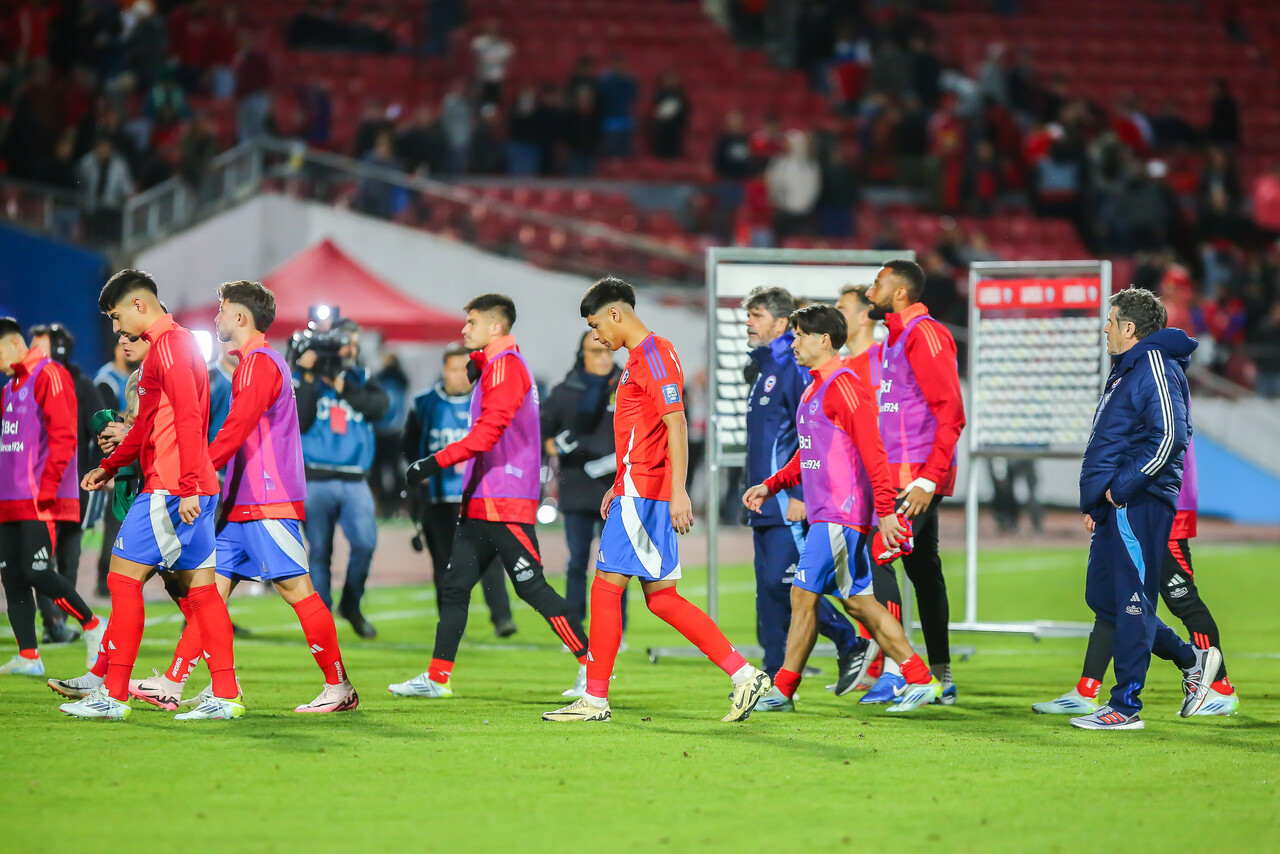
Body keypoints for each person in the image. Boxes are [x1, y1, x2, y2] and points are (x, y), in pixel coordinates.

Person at [544, 278, 771, 723]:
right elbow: (643, 432)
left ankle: (594, 698)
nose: (596, 337)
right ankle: (744, 675)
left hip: (647, 494)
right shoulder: (636, 359)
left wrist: (679, 491)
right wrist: (620, 479)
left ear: (615, 313)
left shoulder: (653, 354)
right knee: (661, 599)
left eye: (595, 325)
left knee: (606, 589)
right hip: (636, 487)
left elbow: (677, 424)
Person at [129, 282, 358, 714]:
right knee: (209, 595)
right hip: (244, 503)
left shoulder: (259, 363)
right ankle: (173, 682)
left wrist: (195, 474)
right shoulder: (255, 363)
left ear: (240, 317)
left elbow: (235, 429)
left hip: (267, 500)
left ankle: (339, 686)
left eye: (222, 310)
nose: (216, 318)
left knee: (297, 591)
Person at [741, 304, 942, 713]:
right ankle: (920, 678)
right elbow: (808, 453)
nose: (794, 343)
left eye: (800, 336)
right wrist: (771, 484)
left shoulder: (845, 385)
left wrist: (885, 512)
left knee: (802, 596)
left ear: (824, 340)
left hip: (840, 514)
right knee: (859, 604)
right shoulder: (815, 386)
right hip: (827, 513)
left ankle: (783, 689)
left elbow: (875, 454)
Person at [391, 295, 590, 699]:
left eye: (471, 322)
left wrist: (431, 464)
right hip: (483, 500)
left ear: (495, 327)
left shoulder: (506, 367)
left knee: (531, 587)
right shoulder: (495, 366)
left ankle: (592, 666)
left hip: (504, 500)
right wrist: (480, 364)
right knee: (455, 585)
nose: (464, 329)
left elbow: (487, 435)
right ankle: (437, 677)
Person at [64, 270, 241, 721]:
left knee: (122, 580)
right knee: (202, 594)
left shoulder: (172, 347)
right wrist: (110, 466)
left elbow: (188, 418)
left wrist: (186, 487)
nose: (116, 328)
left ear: (139, 305)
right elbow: (144, 425)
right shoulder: (169, 347)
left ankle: (115, 694)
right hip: (187, 486)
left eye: (116, 315)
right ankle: (224, 694)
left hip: (170, 487)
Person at [1067, 287, 1221, 730]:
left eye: (1111, 321)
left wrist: (1121, 489)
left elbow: (1171, 433)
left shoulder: (1153, 364)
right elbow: (1114, 441)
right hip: (1113, 504)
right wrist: (1098, 499)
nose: (1105, 328)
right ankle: (1192, 658)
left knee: (1133, 601)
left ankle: (1126, 705)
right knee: (1104, 599)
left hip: (1138, 502)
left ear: (1129, 328)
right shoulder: (1129, 369)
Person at [1035, 436, 1238, 717]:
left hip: (1158, 507)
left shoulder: (1160, 392)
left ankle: (1218, 687)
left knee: (1177, 599)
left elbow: (1164, 439)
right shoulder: (1140, 393)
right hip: (1135, 503)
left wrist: (1119, 493)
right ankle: (1087, 688)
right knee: (1111, 599)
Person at [737, 286, 867, 709]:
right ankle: (775, 682)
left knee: (790, 584)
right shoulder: (766, 368)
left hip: (791, 502)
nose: (748, 323)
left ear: (779, 321)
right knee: (770, 590)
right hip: (767, 499)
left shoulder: (793, 367)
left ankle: (851, 644)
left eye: (755, 315)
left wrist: (796, 492)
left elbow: (807, 437)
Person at [863, 259, 966, 704]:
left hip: (914, 478)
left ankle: (901, 670)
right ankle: (941, 677)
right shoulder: (893, 340)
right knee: (924, 571)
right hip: (900, 476)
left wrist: (929, 479)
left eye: (877, 284)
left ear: (900, 292)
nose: (871, 291)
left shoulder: (925, 334)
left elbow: (951, 412)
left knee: (877, 556)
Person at [0, 319, 105, 677]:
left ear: (15, 344)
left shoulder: (50, 375)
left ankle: (93, 627)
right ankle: (29, 656)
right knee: (12, 576)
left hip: (38, 499)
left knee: (37, 571)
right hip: (9, 500)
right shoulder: (9, 389)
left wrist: (48, 490)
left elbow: (64, 437)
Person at [403, 344, 516, 639]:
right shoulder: (424, 402)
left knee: (490, 559)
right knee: (444, 565)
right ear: (443, 370)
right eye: (452, 369)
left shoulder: (487, 402)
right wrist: (418, 471)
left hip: (479, 495)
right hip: (439, 497)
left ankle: (502, 618)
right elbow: (409, 443)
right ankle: (450, 624)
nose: (458, 375)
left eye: (463, 369)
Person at [541, 330, 627, 695]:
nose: (604, 357)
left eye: (606, 350)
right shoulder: (565, 391)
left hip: (617, 486)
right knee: (578, 561)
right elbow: (544, 437)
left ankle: (615, 632)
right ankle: (575, 628)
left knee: (617, 566)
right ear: (582, 353)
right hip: (578, 487)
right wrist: (561, 447)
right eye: (595, 351)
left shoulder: (626, 384)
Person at [294, 319, 389, 638]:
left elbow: (379, 408)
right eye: (345, 342)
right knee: (319, 551)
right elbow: (301, 421)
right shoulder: (304, 378)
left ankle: (351, 603)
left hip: (355, 479)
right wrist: (308, 377)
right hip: (316, 476)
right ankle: (322, 622)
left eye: (354, 342)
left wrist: (341, 386)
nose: (351, 348)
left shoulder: (360, 377)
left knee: (365, 543)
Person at [835, 284, 906, 689]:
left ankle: (897, 667)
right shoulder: (842, 367)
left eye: (842, 307)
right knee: (856, 574)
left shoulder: (885, 360)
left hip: (885, 482)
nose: (835, 313)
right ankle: (873, 665)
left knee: (881, 563)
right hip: (850, 485)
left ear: (864, 316)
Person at [28, 324, 108, 643]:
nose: (30, 351)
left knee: (69, 559)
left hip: (73, 488)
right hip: (37, 488)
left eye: (38, 345)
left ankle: (63, 618)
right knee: (40, 559)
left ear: (58, 350)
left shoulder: (83, 386)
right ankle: (52, 625)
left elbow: (100, 430)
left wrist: (102, 469)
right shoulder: (27, 383)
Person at [93, 337, 140, 597]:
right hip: (118, 459)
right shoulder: (106, 379)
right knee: (115, 520)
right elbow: (106, 423)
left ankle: (123, 577)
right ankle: (104, 579)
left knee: (129, 520)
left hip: (133, 457)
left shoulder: (134, 377)